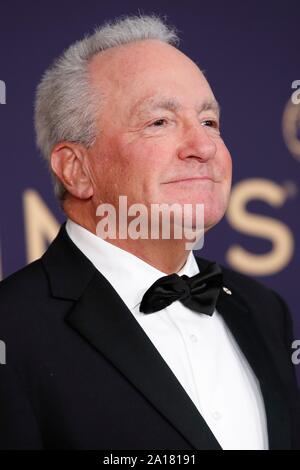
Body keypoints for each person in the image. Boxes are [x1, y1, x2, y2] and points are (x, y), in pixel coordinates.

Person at [0, 14, 299, 450]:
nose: (203, 147)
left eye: (210, 122)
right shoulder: (11, 330)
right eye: (160, 122)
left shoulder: (264, 310)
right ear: (76, 170)